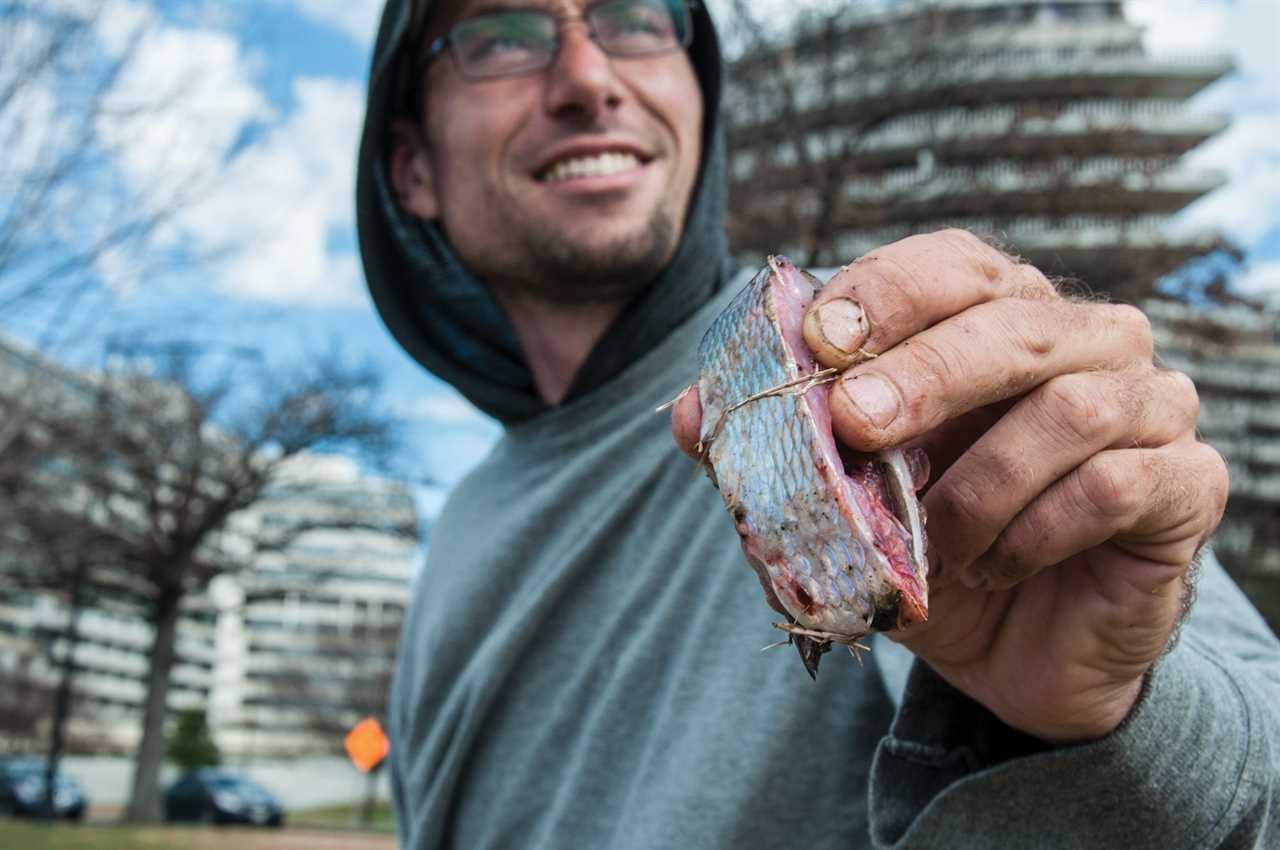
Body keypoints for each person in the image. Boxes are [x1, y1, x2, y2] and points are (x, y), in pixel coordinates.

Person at [354, 0, 1279, 847]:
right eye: (503, 36)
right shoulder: (466, 521)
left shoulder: (878, 365)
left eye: (636, 17)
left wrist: (1115, 717)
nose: (591, 77)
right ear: (414, 168)